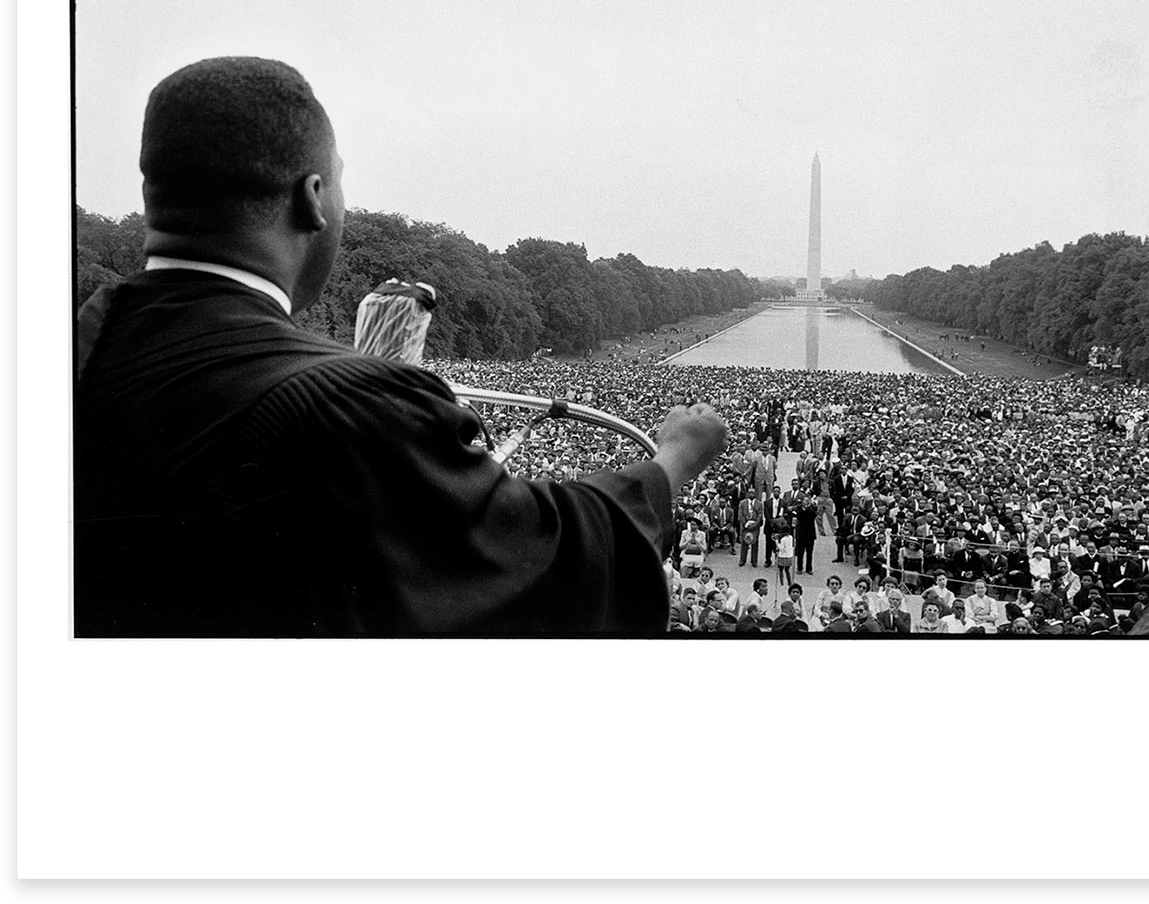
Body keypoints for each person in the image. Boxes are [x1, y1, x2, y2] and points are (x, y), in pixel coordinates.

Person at [74, 56, 728, 638]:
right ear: (313, 199)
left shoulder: (75, 346)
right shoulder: (351, 406)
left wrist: (378, 376)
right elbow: (536, 560)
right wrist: (672, 459)